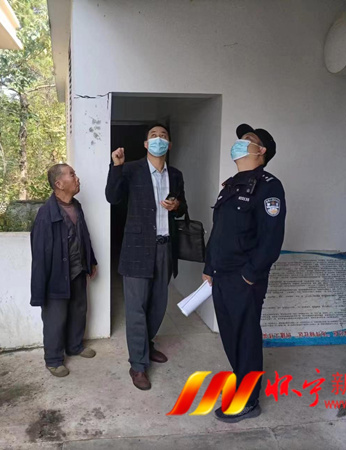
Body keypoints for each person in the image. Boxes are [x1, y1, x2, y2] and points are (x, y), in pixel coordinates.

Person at [203, 123, 286, 422]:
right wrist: (209, 266)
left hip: (244, 278)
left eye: (248, 139)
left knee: (246, 337)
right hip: (221, 275)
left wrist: (250, 274)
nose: (240, 142)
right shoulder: (231, 185)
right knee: (230, 335)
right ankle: (241, 383)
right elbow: (219, 231)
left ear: (261, 151)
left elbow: (271, 239)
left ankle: (248, 401)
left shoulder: (269, 186)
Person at [105, 124, 188, 390]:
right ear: (145, 144)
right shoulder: (130, 169)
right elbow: (112, 197)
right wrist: (116, 166)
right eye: (153, 136)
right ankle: (138, 365)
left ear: (169, 145)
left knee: (158, 304)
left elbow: (182, 208)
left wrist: (177, 205)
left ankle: (146, 345)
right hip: (137, 248)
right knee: (136, 308)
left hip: (165, 247)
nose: (158, 139)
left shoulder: (176, 175)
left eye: (163, 136)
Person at [30, 164, 98, 377]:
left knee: (78, 310)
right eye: (72, 175)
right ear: (59, 184)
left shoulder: (76, 206)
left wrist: (91, 261)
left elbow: (84, 236)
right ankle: (53, 360)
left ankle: (75, 346)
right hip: (57, 276)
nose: (77, 178)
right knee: (55, 318)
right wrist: (40, 289)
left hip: (78, 271)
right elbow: (39, 255)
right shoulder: (46, 214)